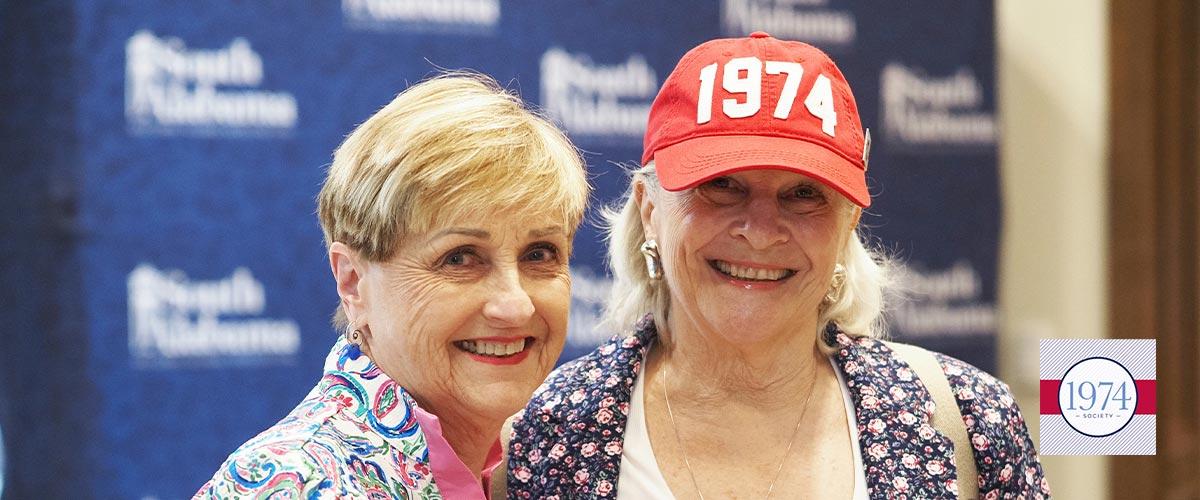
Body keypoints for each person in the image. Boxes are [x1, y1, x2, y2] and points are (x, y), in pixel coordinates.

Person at [504, 33, 1050, 499]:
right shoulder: (549, 435)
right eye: (722, 186)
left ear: (848, 223)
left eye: (804, 194)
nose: (760, 231)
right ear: (650, 210)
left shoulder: (973, 420)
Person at [194, 73, 589, 499]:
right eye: (459, 258)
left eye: (540, 254)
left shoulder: (531, 470)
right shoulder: (296, 483)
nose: (515, 306)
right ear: (353, 282)